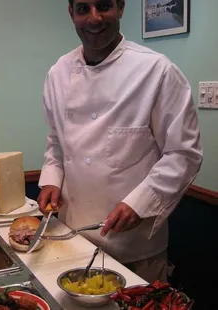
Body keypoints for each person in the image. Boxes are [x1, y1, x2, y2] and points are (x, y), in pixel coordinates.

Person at [37, 0, 203, 283]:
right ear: (71, 13)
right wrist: (51, 178)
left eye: (104, 6)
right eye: (83, 9)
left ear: (121, 7)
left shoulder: (156, 71)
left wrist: (141, 203)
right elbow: (56, 141)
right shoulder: (58, 73)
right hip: (72, 237)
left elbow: (183, 154)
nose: (94, 18)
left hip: (135, 248)